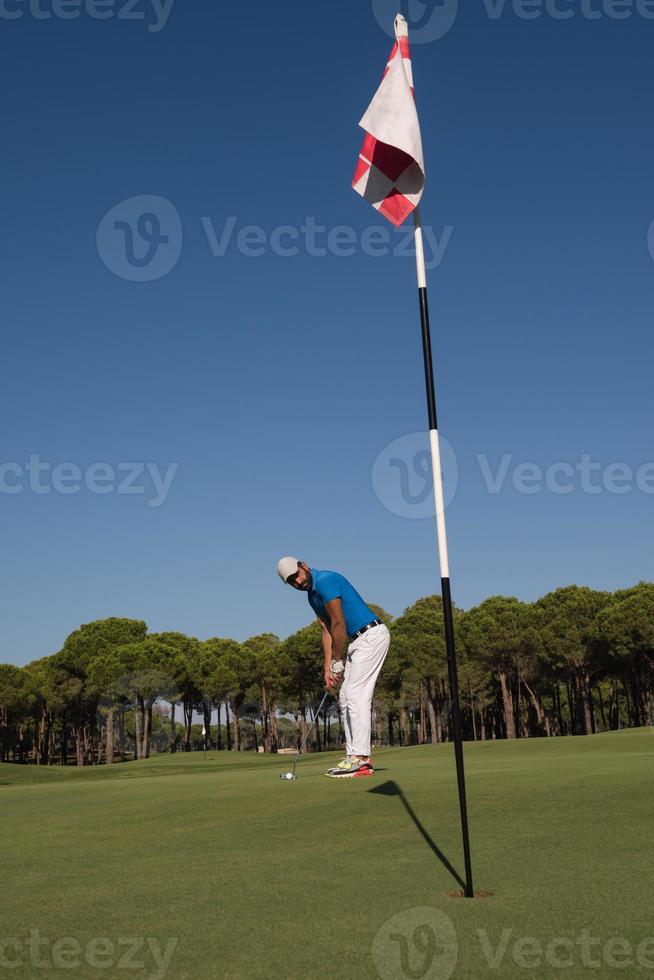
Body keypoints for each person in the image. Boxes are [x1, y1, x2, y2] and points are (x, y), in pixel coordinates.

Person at [277, 557, 390, 778]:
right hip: (358, 642)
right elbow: (327, 630)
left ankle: (361, 760)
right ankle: (352, 757)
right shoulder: (312, 596)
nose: (297, 582)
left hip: (371, 635)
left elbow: (339, 623)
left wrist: (338, 660)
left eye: (297, 575)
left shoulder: (326, 580)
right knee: (347, 697)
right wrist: (328, 666)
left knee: (356, 696)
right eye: (291, 581)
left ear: (304, 565)